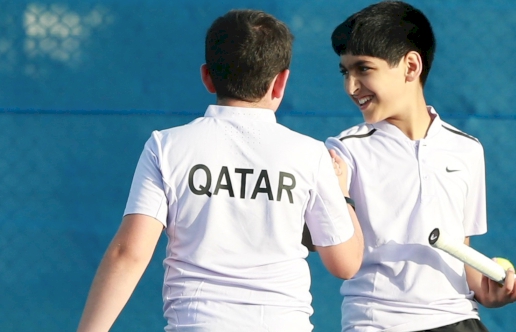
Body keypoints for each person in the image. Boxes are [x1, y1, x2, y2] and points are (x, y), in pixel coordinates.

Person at [77, 9, 363, 332]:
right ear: (281, 82)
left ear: (207, 76)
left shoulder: (166, 147)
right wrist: (343, 194)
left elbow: (129, 254)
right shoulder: (310, 155)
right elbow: (346, 263)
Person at [325, 1, 516, 331]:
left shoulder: (467, 150)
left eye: (363, 69)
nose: (351, 86)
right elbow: (338, 253)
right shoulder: (342, 152)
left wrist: (487, 290)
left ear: (411, 66)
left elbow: (459, 249)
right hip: (376, 322)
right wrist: (337, 196)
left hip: (458, 319)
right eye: (345, 72)